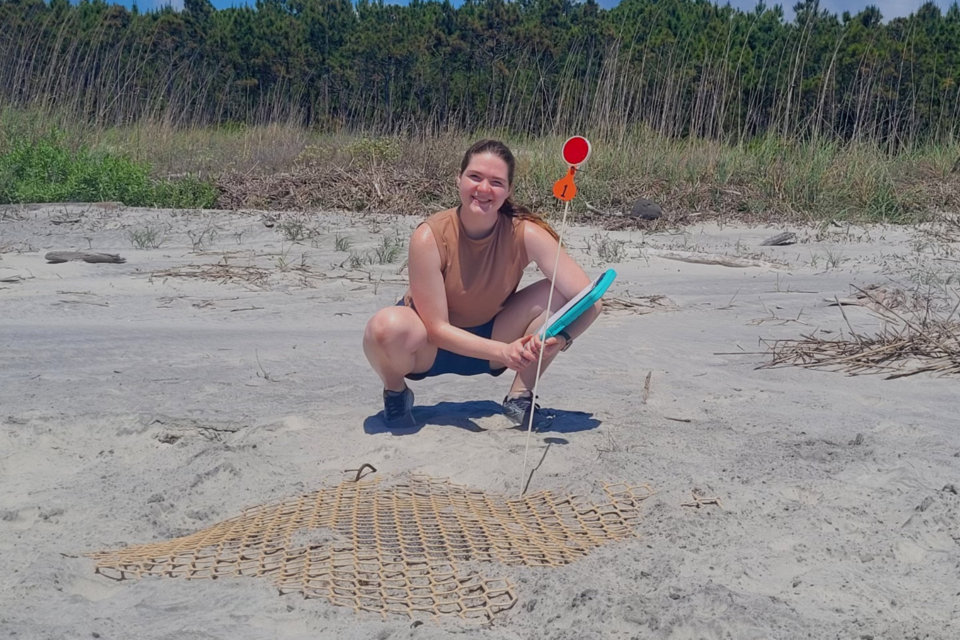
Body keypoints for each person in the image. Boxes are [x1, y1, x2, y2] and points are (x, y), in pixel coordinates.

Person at [362, 139, 601, 430]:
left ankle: (520, 396)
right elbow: (437, 329)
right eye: (475, 177)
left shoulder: (526, 233)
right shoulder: (429, 235)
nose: (484, 189)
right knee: (384, 327)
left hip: (497, 335)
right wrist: (503, 352)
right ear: (458, 179)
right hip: (428, 347)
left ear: (509, 190)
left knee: (564, 295)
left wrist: (559, 339)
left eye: (496, 182)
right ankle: (396, 393)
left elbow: (591, 300)